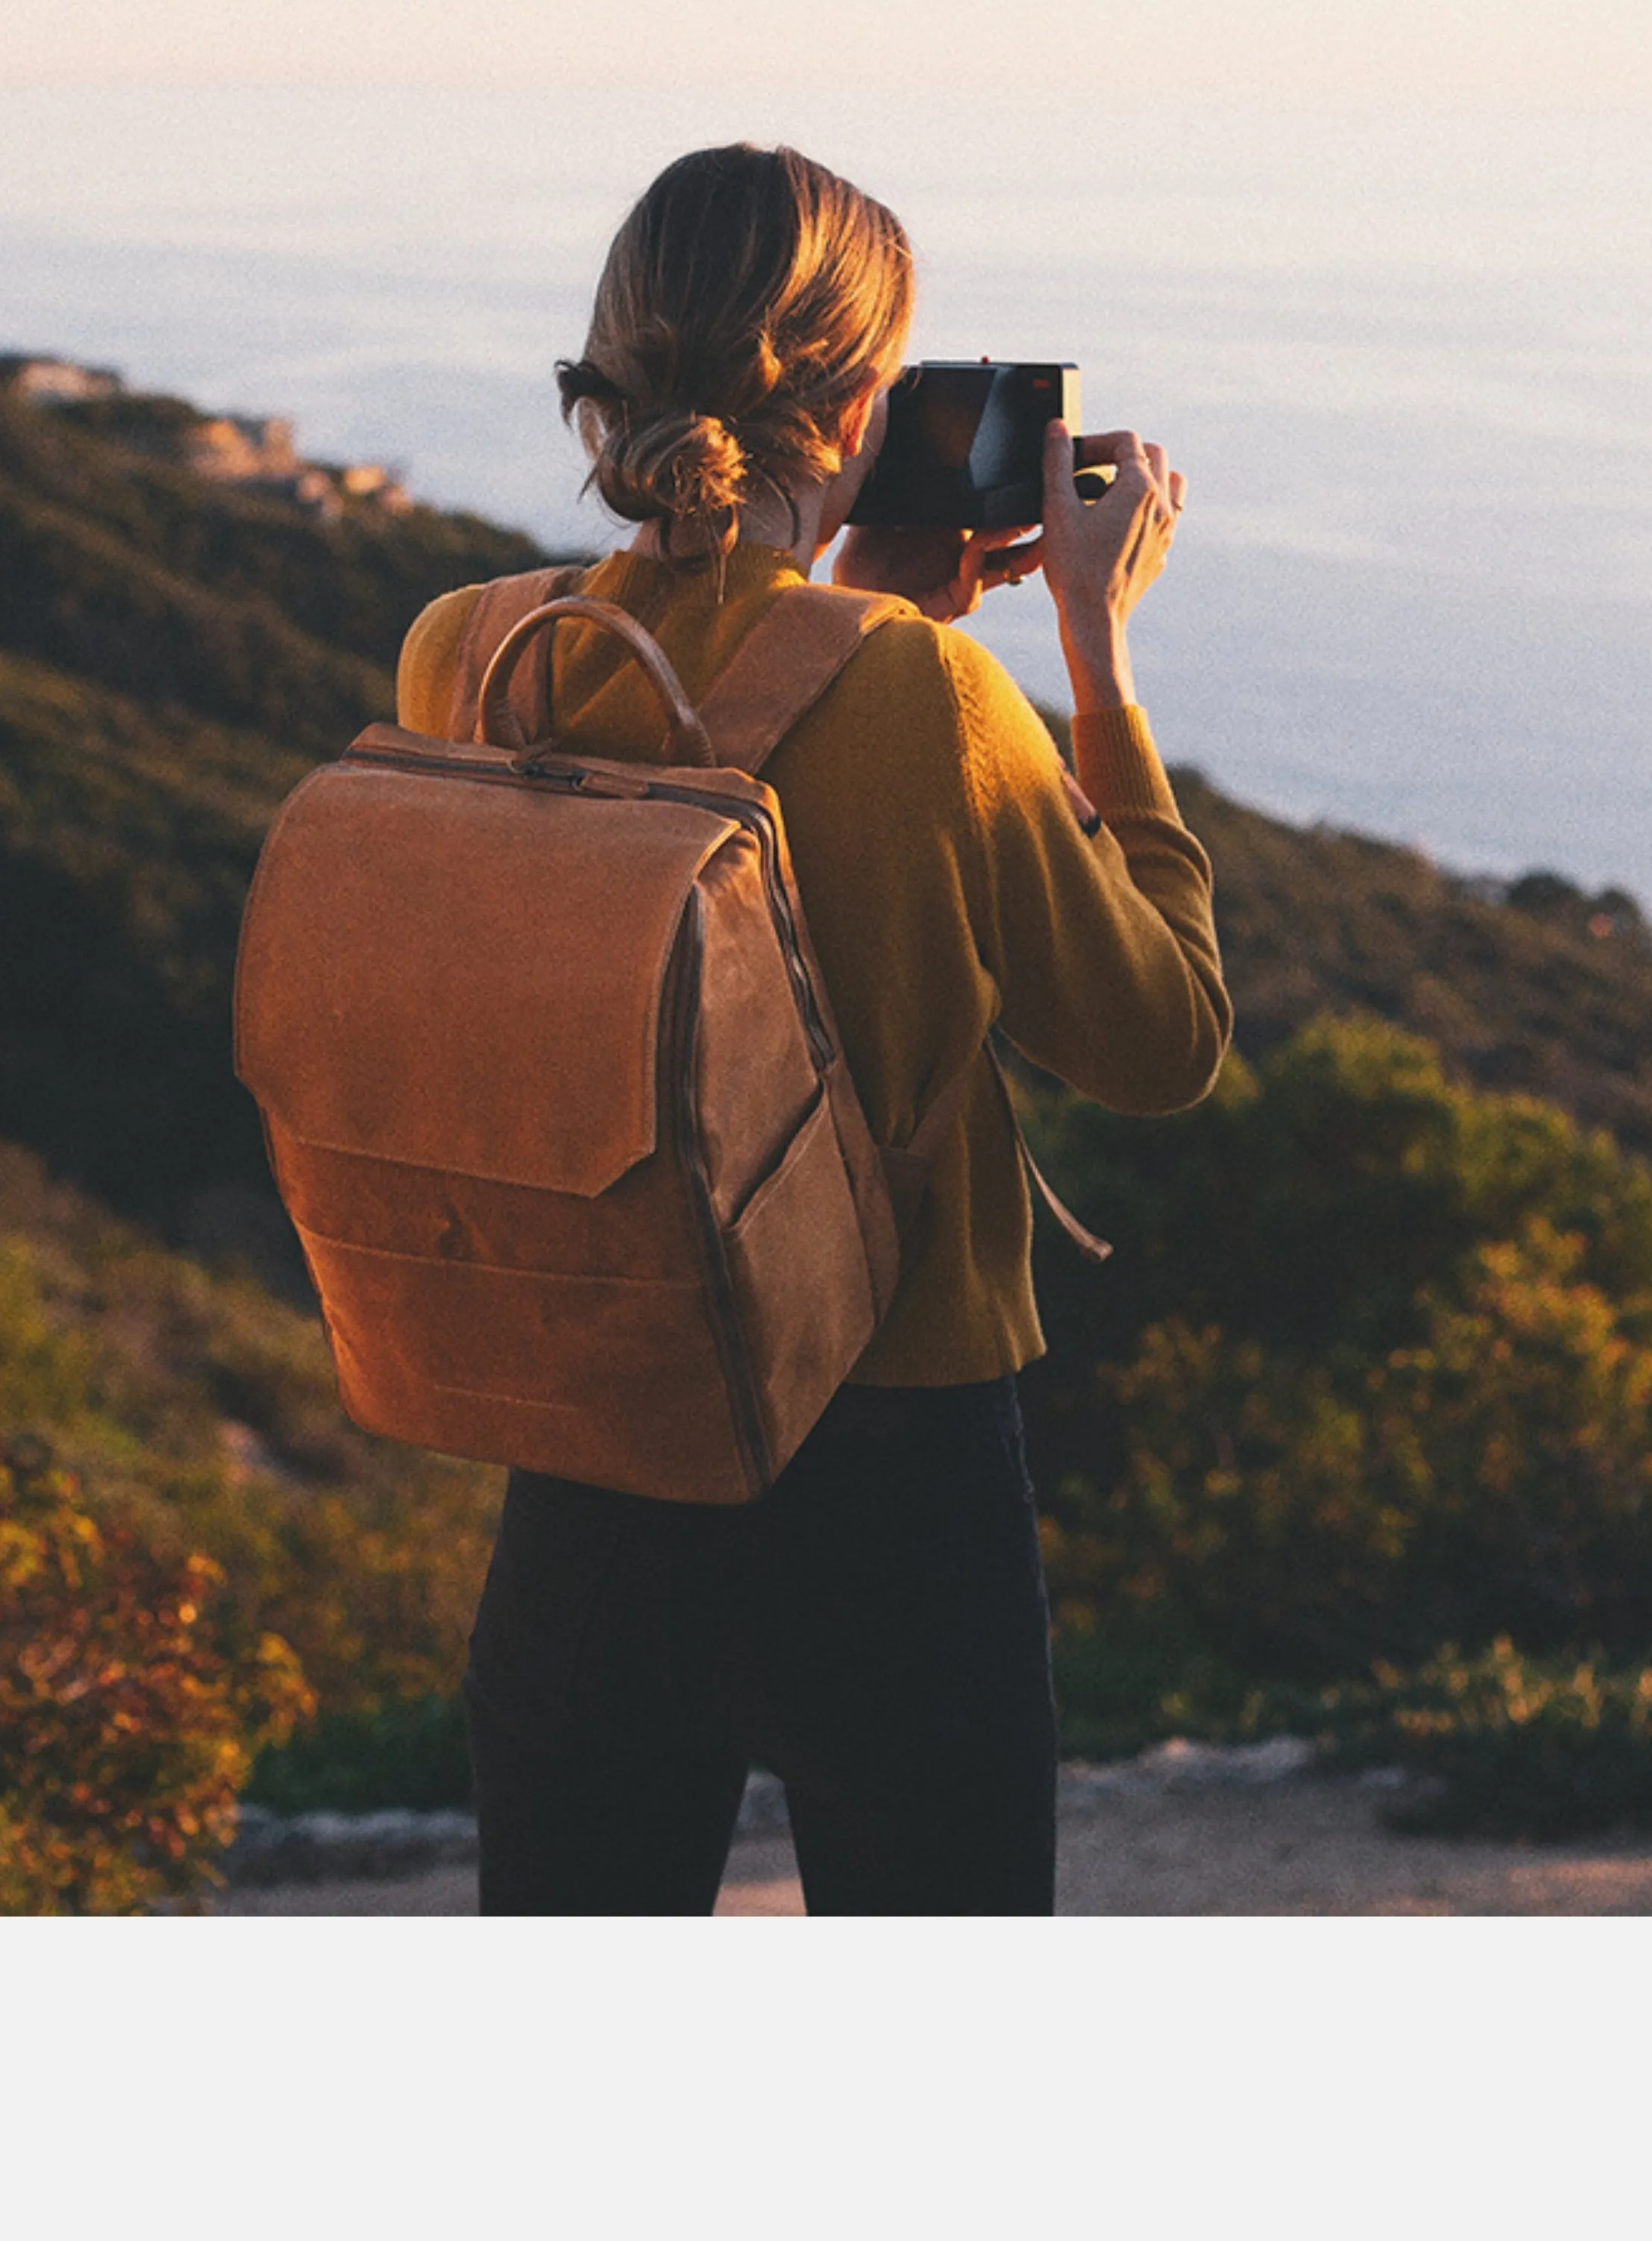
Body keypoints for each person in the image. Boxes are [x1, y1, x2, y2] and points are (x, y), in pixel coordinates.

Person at [394, 143, 1230, 1914]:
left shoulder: (464, 655)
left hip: (593, 1440)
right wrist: (1095, 651)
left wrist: (870, 603)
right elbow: (1161, 1041)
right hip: (892, 1470)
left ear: (610, 365)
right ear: (859, 399)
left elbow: (713, 750)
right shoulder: (924, 694)